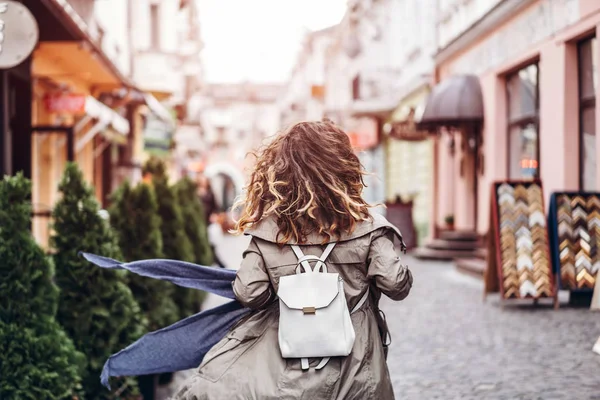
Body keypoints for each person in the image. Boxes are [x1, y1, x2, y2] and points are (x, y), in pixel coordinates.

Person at [174, 120, 413, 400]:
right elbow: (396, 285)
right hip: (358, 370)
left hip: (292, 369)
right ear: (342, 167)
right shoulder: (368, 228)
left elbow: (249, 292)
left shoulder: (267, 232)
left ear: (282, 173)